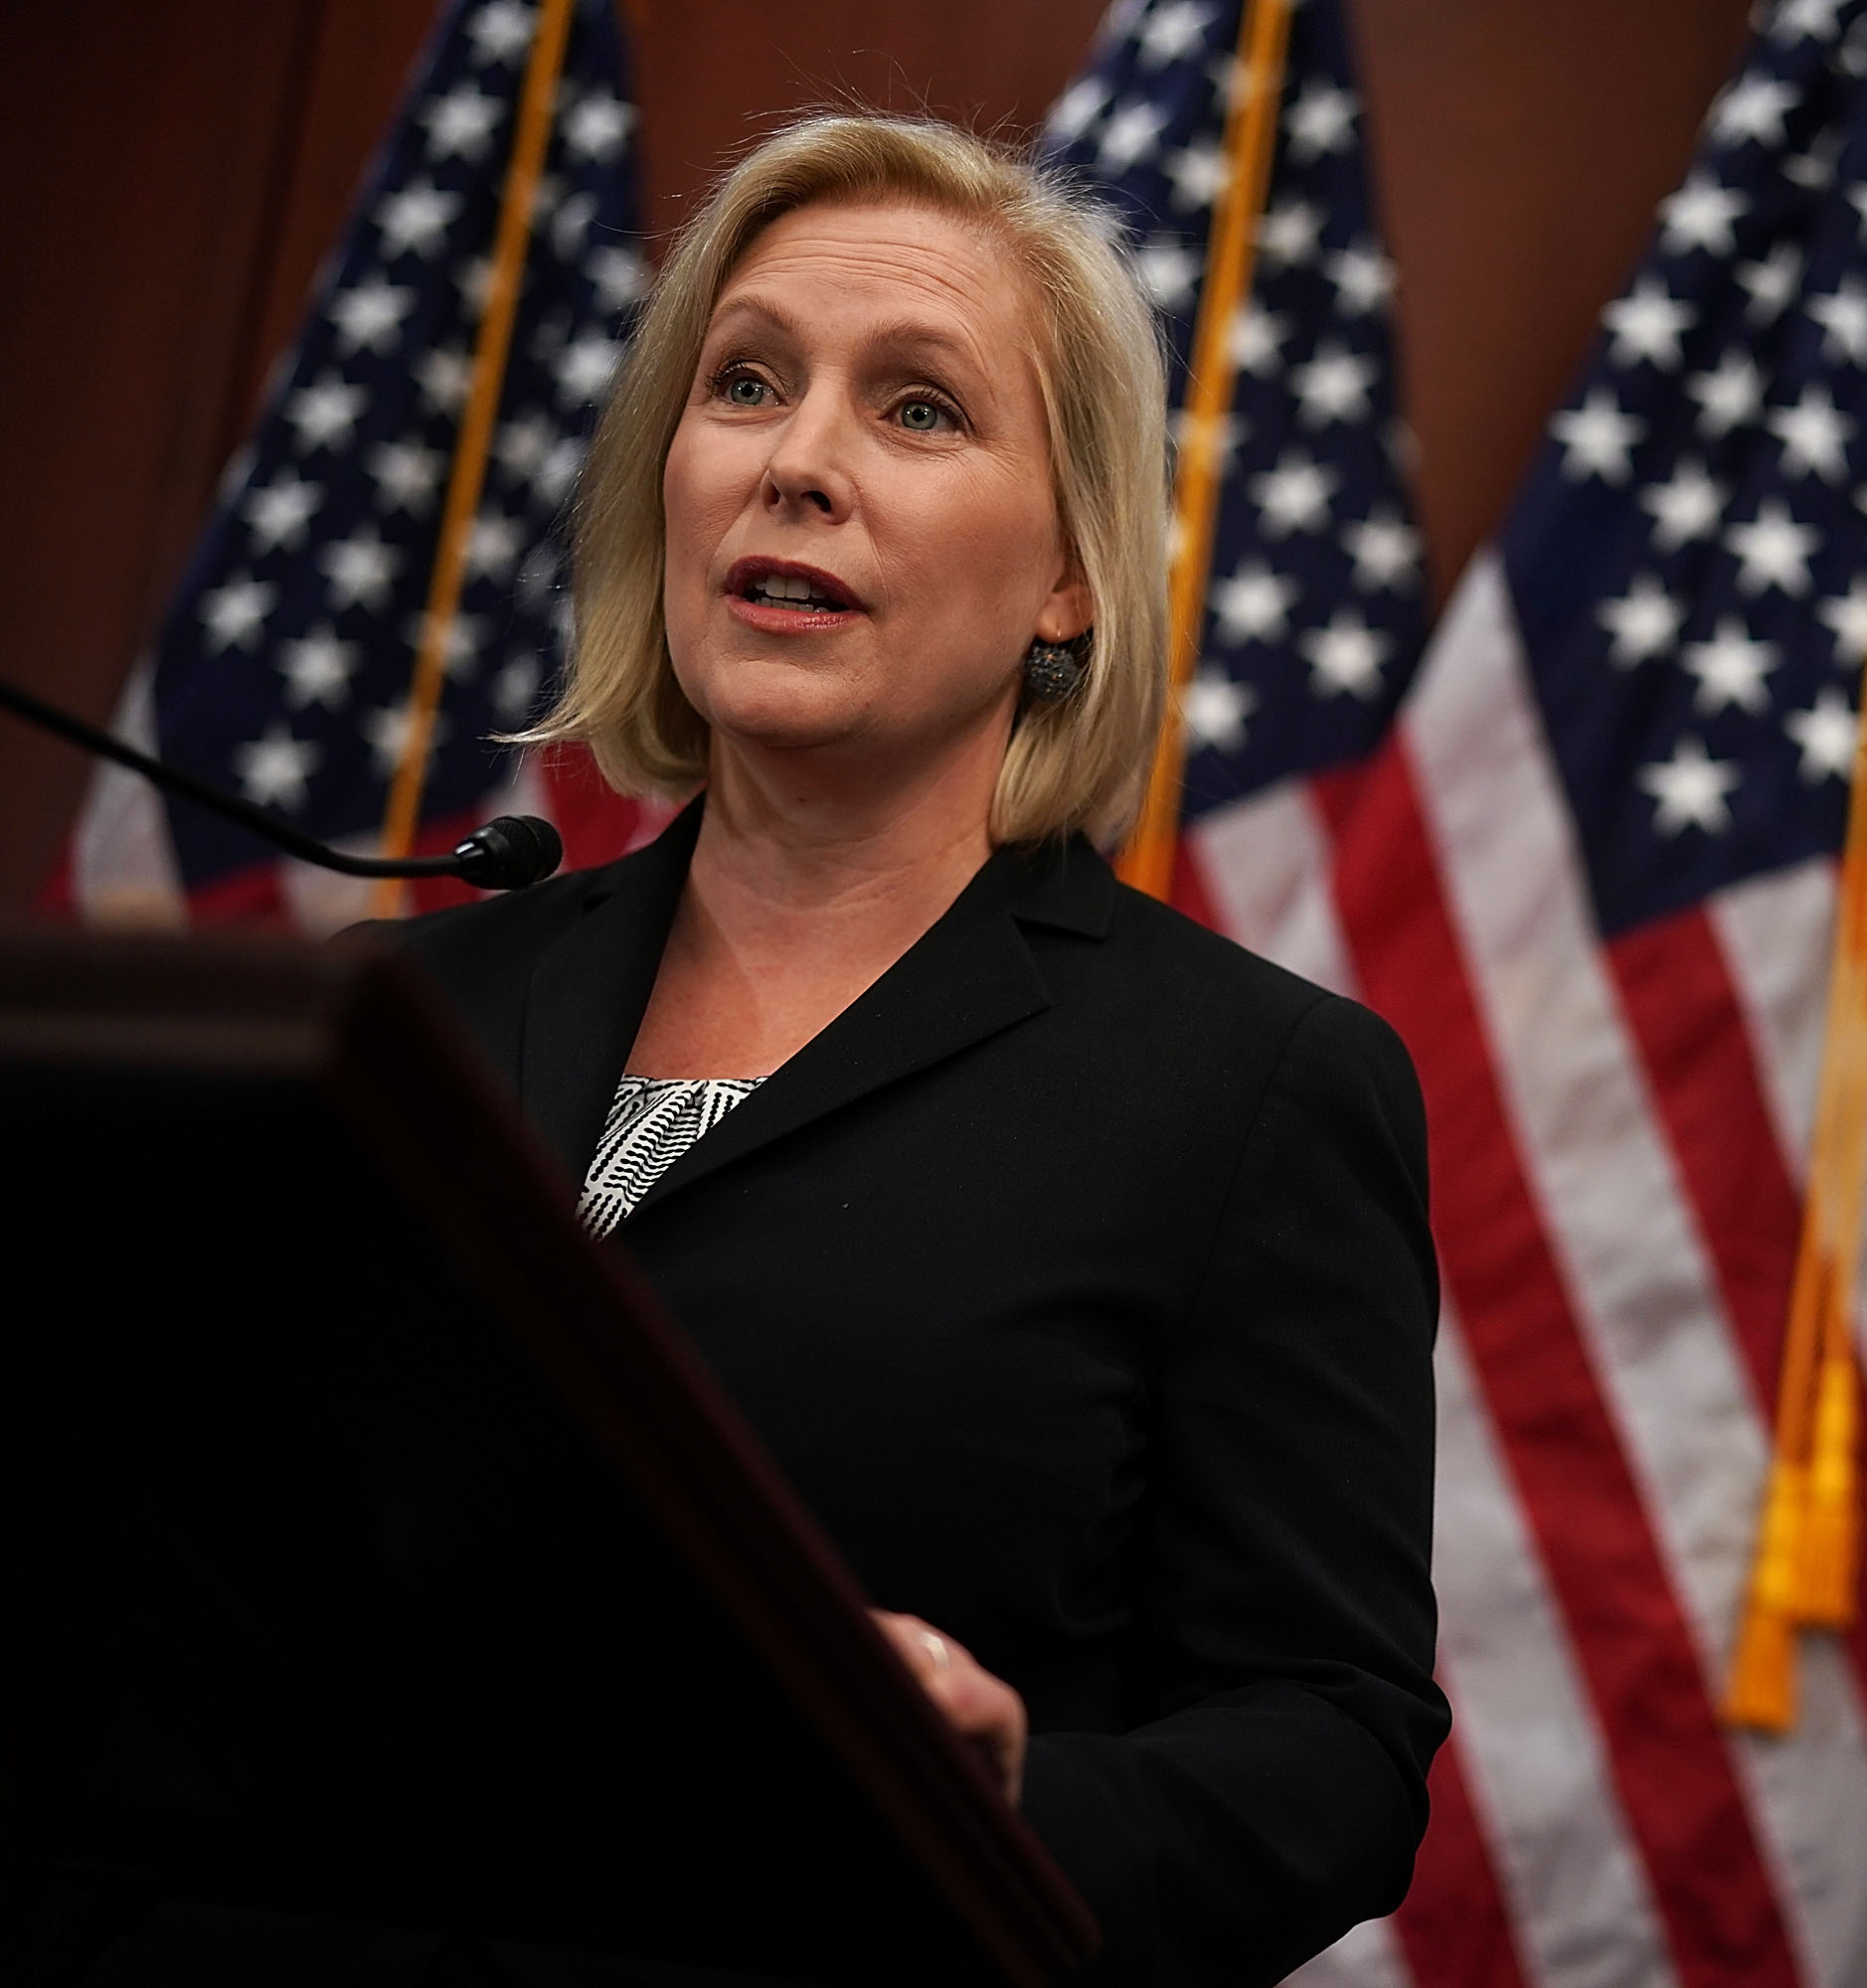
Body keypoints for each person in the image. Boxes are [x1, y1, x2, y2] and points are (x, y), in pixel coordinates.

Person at [395, 113, 1447, 1984]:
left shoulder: (1246, 1093)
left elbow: (1330, 1748)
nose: (795, 463)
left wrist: (1017, 1793)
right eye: (744, 384)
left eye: (920, 410)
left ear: (1068, 578)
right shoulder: (396, 1024)